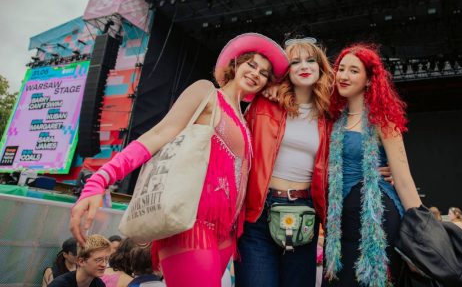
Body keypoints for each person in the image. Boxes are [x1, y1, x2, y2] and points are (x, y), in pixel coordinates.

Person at [70, 33, 288, 287]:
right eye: (251, 64)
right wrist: (99, 180)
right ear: (236, 64)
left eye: (264, 73)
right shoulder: (206, 93)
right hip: (189, 224)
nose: (256, 74)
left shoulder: (246, 120)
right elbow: (158, 134)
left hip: (226, 234)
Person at [235, 38, 333, 287]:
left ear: (320, 67)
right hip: (259, 210)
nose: (304, 66)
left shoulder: (330, 115)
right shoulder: (264, 102)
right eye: (295, 61)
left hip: (305, 212)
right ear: (285, 70)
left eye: (311, 60)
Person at [323, 43, 422, 286]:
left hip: (374, 217)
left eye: (354, 71)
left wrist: (422, 230)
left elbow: (403, 180)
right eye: (341, 69)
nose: (344, 76)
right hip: (339, 219)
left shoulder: (383, 121)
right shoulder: (332, 120)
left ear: (369, 80)